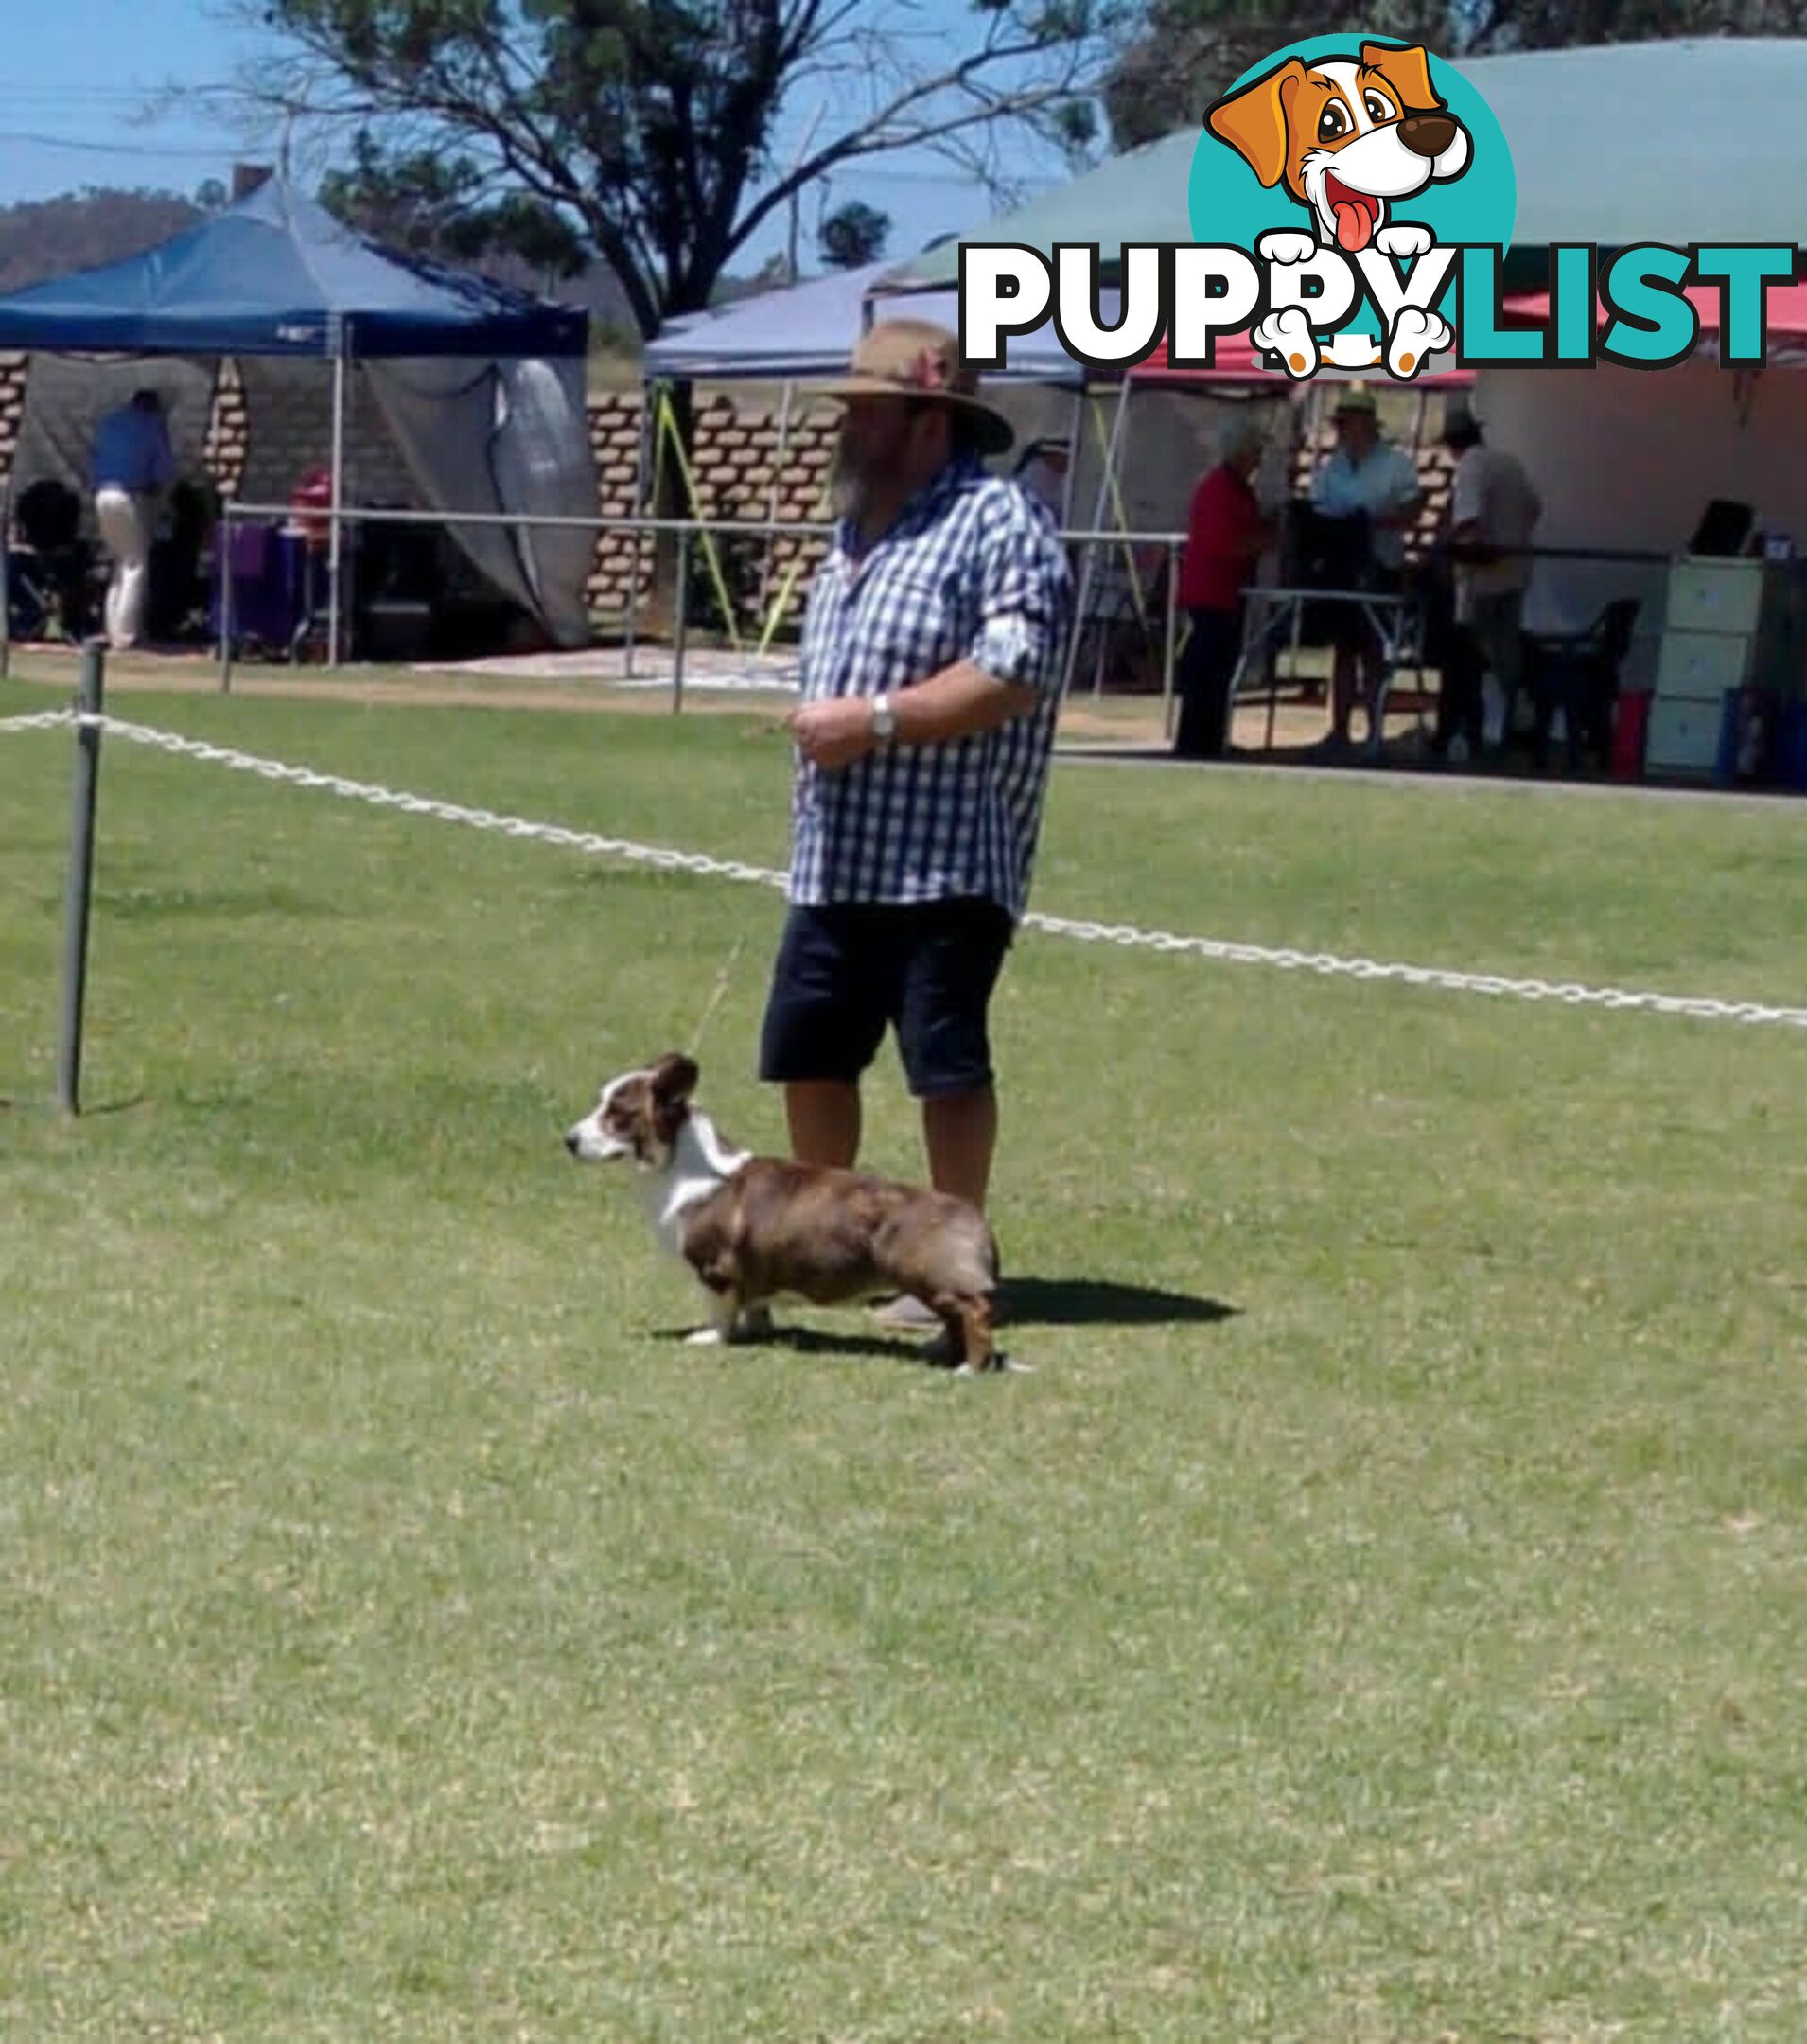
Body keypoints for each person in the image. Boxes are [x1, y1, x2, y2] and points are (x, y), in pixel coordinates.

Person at [759, 316, 1074, 1339]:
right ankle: (838, 1247)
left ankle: (950, 1256)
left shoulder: (996, 519)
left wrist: (876, 720)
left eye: (867, 412)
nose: (847, 429)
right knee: (809, 1055)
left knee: (942, 1065)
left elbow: (1016, 668)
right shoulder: (855, 525)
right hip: (834, 858)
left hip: (942, 860)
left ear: (930, 420)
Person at [1307, 384, 1422, 753]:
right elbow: (1317, 510)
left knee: (1374, 650)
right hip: (1341, 568)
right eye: (1340, 424)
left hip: (1380, 566)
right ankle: (1338, 729)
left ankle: (1375, 730)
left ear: (1368, 425)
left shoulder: (1396, 465)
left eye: (1349, 423)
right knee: (1343, 651)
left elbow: (1412, 511)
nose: (1344, 431)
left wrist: (1372, 523)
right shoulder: (1331, 468)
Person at [1430, 402, 1542, 763]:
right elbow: (1533, 509)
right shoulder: (1511, 464)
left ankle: (1472, 735)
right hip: (1515, 573)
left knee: (1471, 663)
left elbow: (1468, 525)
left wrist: (1454, 552)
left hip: (1480, 579)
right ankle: (1505, 730)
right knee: (1506, 660)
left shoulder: (1470, 467)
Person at [1171, 411, 1277, 760]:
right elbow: (1224, 545)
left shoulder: (1237, 489)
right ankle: (1195, 743)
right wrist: (1264, 541)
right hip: (1211, 592)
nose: (1259, 458)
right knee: (1207, 671)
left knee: (1219, 670)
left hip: (1227, 593)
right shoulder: (1219, 489)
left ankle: (1211, 738)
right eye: (1255, 451)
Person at [86, 388, 176, 652]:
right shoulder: (152, 426)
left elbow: (94, 458)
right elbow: (164, 470)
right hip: (128, 495)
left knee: (119, 563)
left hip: (102, 494)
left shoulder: (110, 421)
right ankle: (126, 635)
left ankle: (112, 628)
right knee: (136, 566)